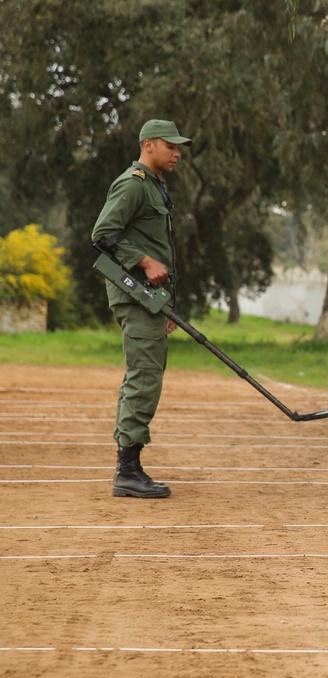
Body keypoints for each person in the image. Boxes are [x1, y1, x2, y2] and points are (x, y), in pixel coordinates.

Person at [92, 119, 192, 499]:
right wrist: (145, 262)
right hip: (133, 296)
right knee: (144, 377)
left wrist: (166, 306)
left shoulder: (154, 186)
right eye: (171, 146)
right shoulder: (133, 184)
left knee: (146, 375)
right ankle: (127, 471)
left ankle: (129, 467)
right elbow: (103, 234)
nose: (177, 152)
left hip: (149, 301)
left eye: (179, 147)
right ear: (148, 145)